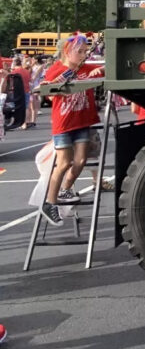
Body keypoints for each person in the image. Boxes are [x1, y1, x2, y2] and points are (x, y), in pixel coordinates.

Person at [40, 35, 105, 226]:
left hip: (82, 122)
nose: (84, 55)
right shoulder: (57, 70)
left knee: (81, 160)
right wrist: (52, 86)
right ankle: (50, 202)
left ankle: (66, 189)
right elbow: (47, 92)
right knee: (63, 163)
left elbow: (105, 69)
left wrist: (100, 69)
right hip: (64, 124)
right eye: (80, 51)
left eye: (86, 51)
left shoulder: (85, 69)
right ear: (68, 51)